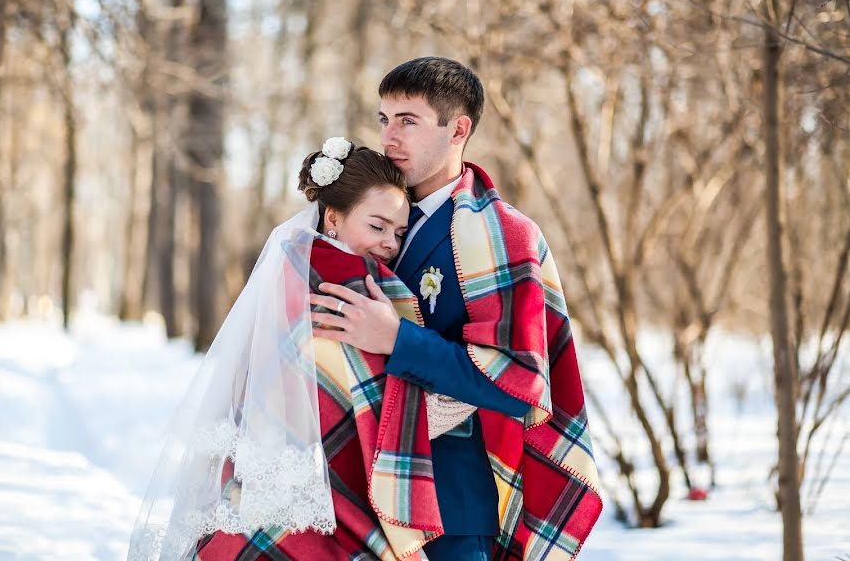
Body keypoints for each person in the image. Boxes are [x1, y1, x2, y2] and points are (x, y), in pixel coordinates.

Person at [311, 57, 602, 560]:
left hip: (449, 509)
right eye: (384, 119)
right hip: (350, 499)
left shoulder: (503, 235)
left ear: (458, 129)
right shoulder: (372, 217)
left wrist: (395, 339)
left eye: (408, 121)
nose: (390, 137)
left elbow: (519, 384)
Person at [129, 140, 454, 561]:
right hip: (323, 492)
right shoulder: (355, 287)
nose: (390, 243)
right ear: (333, 217)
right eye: (377, 226)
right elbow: (388, 393)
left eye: (398, 232)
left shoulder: (289, 270)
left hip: (269, 479)